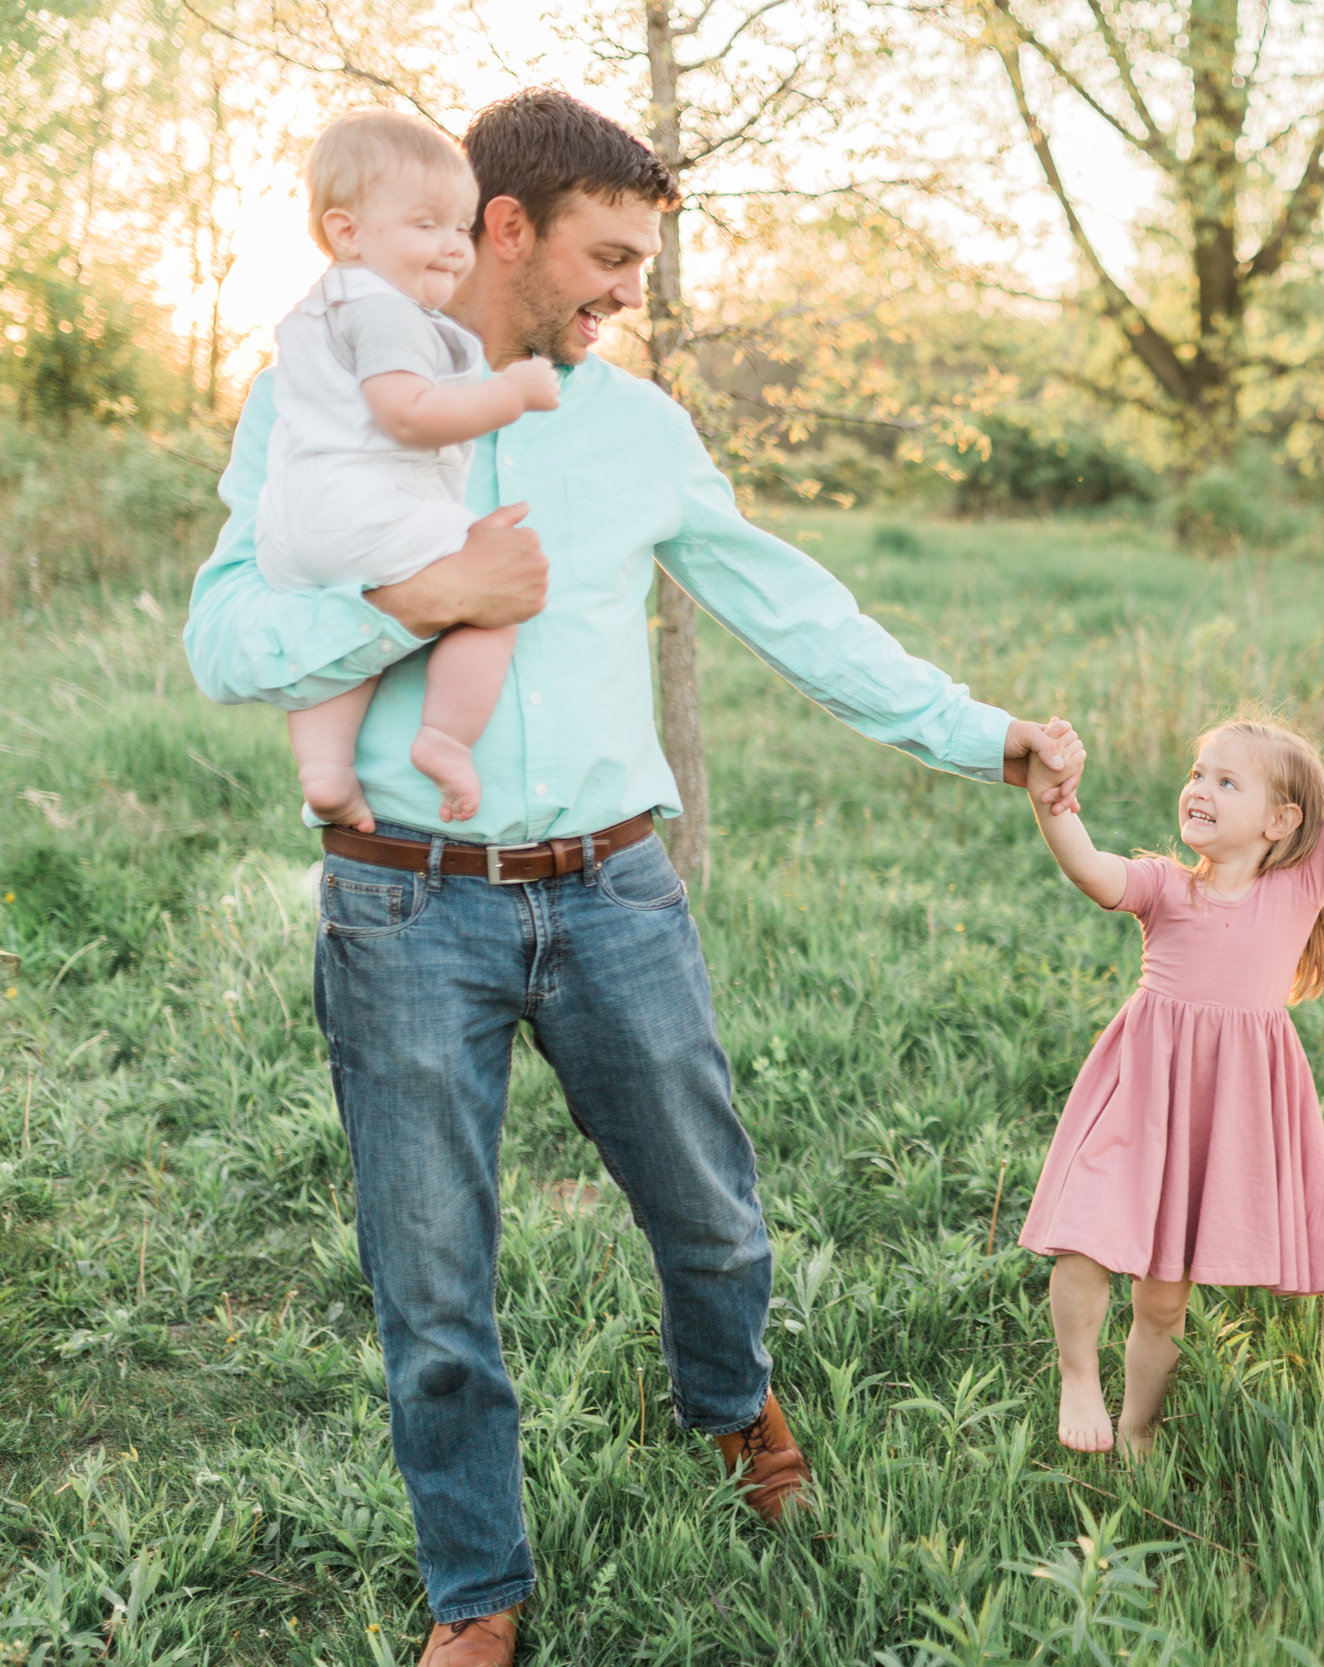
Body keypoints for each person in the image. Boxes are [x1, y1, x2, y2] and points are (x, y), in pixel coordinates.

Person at [182, 89, 1084, 1667]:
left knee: (715, 1215)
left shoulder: (641, 426)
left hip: (612, 891)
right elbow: (226, 636)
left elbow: (794, 607)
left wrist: (977, 732)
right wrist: (423, 603)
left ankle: (731, 1402)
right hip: (401, 900)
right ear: (507, 229)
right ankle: (479, 1589)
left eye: (646, 265)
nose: (629, 293)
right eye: (609, 256)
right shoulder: (322, 391)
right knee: (434, 1282)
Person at [1014, 683, 1324, 1456]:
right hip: (1140, 1090)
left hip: (1222, 1110)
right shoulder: (1166, 885)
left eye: (1225, 780)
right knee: (1083, 1239)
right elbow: (1093, 871)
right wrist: (1052, 806)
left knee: (1165, 1296)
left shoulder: (1301, 887)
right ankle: (1078, 1374)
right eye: (1198, 772)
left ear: (1281, 821)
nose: (1199, 788)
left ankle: (1138, 1424)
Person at [260, 110, 561, 830]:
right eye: (427, 225)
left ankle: (327, 774)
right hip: (370, 509)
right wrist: (510, 393)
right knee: (498, 586)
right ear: (348, 233)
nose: (455, 247)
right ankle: (445, 739)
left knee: (348, 630)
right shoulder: (385, 310)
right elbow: (408, 413)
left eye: (461, 228)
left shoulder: (318, 310)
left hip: (297, 532)